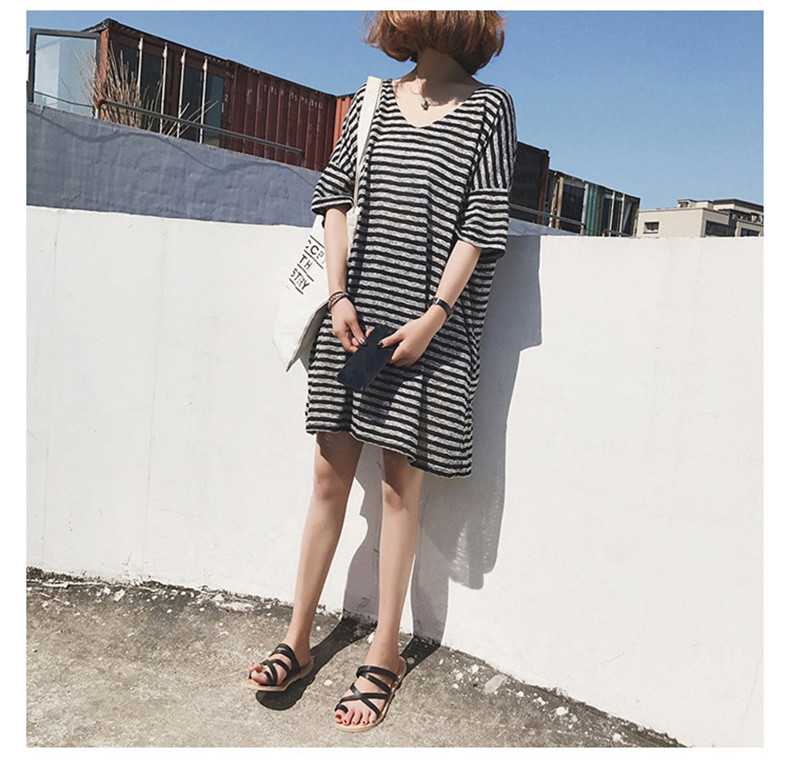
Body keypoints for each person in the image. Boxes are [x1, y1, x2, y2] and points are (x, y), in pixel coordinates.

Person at [246, 10, 517, 733]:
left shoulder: (491, 108)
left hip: (427, 333)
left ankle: (384, 652)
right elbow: (333, 201)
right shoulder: (370, 100)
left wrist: (434, 317)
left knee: (401, 492)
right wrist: (337, 296)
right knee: (327, 479)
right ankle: (298, 637)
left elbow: (482, 223)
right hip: (353, 323)